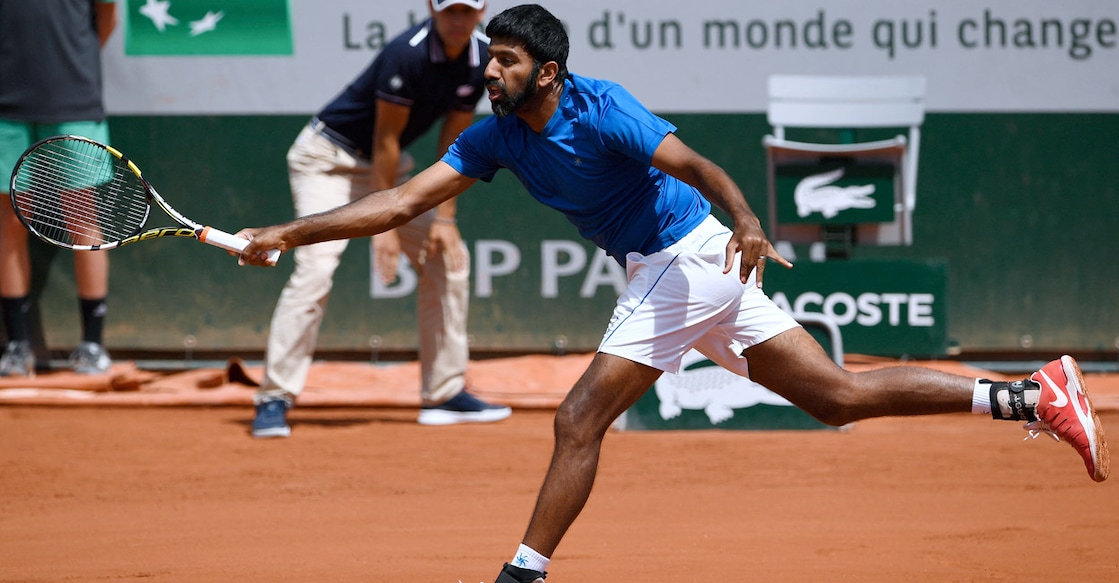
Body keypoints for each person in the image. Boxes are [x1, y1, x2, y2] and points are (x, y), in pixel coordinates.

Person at [237, 4, 1110, 580]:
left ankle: (521, 572)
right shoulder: (494, 134)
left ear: (546, 71)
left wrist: (747, 219)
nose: (487, 71)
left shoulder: (601, 106)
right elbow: (402, 197)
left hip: (686, 257)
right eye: (488, 59)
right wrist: (291, 229)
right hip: (677, 263)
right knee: (836, 398)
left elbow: (696, 164)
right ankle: (1029, 394)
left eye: (503, 61)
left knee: (577, 417)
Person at [250, 0, 511, 438]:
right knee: (316, 270)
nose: (458, 21)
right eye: (450, 11)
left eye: (467, 11)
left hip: (387, 173)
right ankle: (274, 396)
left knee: (449, 260)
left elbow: (457, 142)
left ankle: (444, 393)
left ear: (482, 12)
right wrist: (383, 229)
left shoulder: (481, 60)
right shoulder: (405, 52)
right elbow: (385, 139)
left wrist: (445, 219)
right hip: (328, 161)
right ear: (432, 8)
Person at [0, 0, 118, 377]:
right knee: (12, 223)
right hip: (5, 106)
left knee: (83, 220)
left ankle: (93, 345)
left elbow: (108, 17)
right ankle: (17, 346)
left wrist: (67, 64)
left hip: (73, 100)